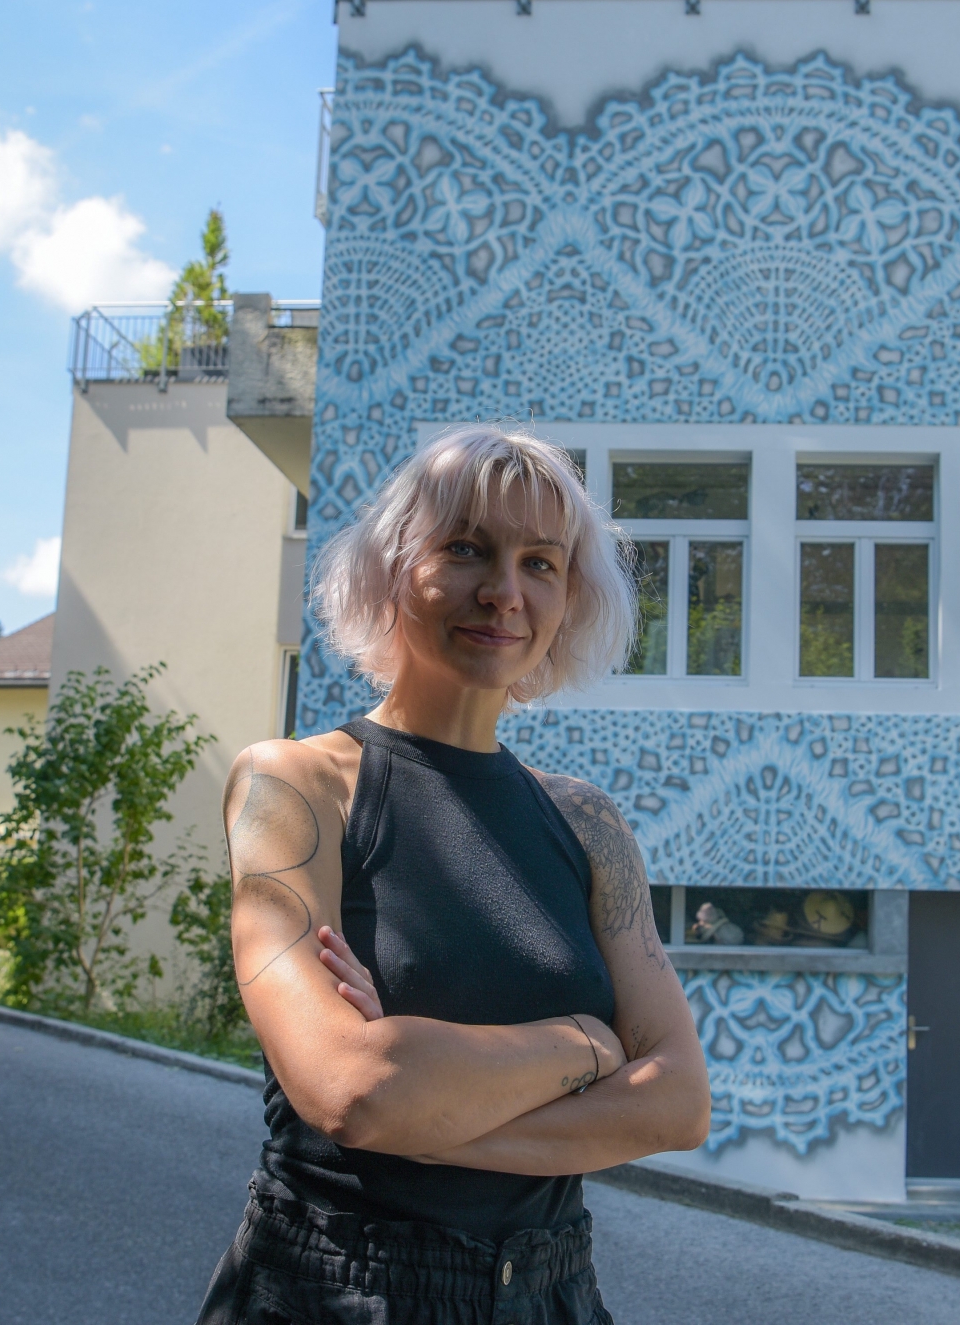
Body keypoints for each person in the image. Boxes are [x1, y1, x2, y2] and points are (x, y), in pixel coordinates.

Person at [195, 425, 711, 1325]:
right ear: (395, 567)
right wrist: (587, 1043)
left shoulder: (587, 824)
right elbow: (352, 1088)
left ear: (568, 596)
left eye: (540, 562)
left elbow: (677, 1102)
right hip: (338, 1286)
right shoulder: (295, 784)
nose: (504, 591)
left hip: (551, 1291)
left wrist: (430, 1118)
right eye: (467, 548)